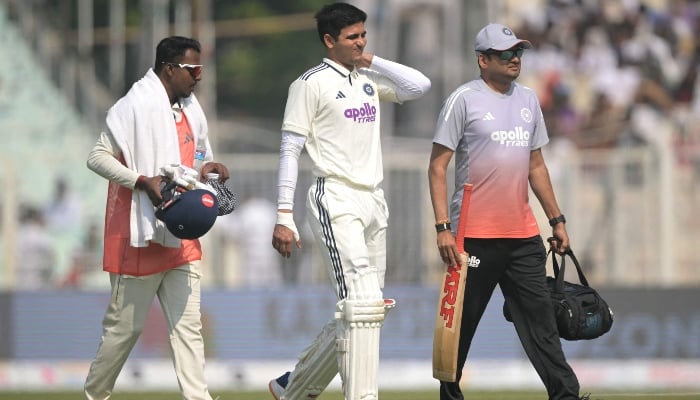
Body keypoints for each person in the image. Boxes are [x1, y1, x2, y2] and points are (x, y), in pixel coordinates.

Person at [268, 3, 431, 400]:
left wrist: (369, 58)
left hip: (374, 200)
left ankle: (294, 387)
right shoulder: (310, 84)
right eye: (351, 37)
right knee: (360, 305)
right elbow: (290, 149)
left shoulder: (369, 78)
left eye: (363, 35)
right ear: (329, 41)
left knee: (369, 309)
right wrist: (284, 215)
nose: (360, 42)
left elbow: (419, 85)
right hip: (335, 197)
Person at [427, 24, 590, 400]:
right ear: (483, 60)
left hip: (523, 236)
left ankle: (566, 395)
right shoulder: (462, 100)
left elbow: (536, 166)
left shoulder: (529, 100)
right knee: (461, 329)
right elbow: (437, 167)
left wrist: (557, 220)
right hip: (472, 240)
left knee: (542, 324)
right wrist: (443, 228)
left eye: (518, 52)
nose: (514, 59)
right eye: (504, 54)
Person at [83, 36, 229, 400]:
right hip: (140, 234)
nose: (199, 77)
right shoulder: (133, 105)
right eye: (193, 69)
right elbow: (97, 157)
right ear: (169, 69)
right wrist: (141, 181)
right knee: (123, 331)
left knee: (188, 328)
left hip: (180, 236)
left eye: (201, 69)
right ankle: (94, 396)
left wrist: (206, 169)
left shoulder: (191, 110)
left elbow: (193, 162)